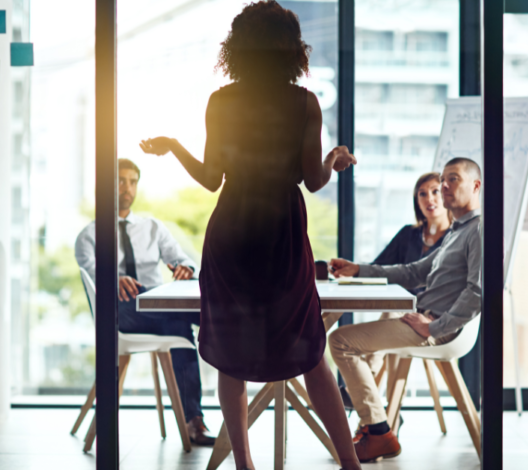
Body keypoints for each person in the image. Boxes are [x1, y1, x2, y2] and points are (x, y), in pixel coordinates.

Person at [138, 3, 363, 469]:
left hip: (232, 232)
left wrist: (175, 146)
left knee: (230, 354)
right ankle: (350, 464)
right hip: (281, 233)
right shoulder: (304, 102)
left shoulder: (222, 101)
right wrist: (334, 161)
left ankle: (244, 465)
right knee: (310, 347)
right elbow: (313, 181)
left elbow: (210, 179)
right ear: (290, 47)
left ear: (237, 46)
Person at [328, 157, 482, 463]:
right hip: (423, 319)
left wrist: (433, 328)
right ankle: (376, 428)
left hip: (437, 328)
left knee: (340, 342)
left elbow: (478, 292)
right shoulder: (457, 231)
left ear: (476, 186)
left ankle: (378, 431)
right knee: (345, 340)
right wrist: (358, 269)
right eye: (443, 179)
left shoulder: (478, 231)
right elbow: (413, 272)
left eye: (453, 180)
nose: (443, 186)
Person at [74, 158, 216, 446]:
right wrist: (113, 278)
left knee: (184, 324)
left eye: (132, 181)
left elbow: (181, 258)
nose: (127, 188)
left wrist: (185, 267)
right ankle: (195, 420)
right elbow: (92, 275)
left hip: (159, 310)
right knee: (196, 320)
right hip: (120, 314)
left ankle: (195, 420)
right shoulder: (89, 235)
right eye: (120, 181)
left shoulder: (152, 227)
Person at [342, 172, 453, 413]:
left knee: (392, 314)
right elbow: (382, 267)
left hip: (431, 319)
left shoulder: (455, 239)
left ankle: (362, 388)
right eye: (422, 194)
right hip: (401, 314)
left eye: (435, 191)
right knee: (396, 310)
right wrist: (356, 270)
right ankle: (384, 414)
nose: (429, 199)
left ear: (446, 195)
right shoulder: (408, 234)